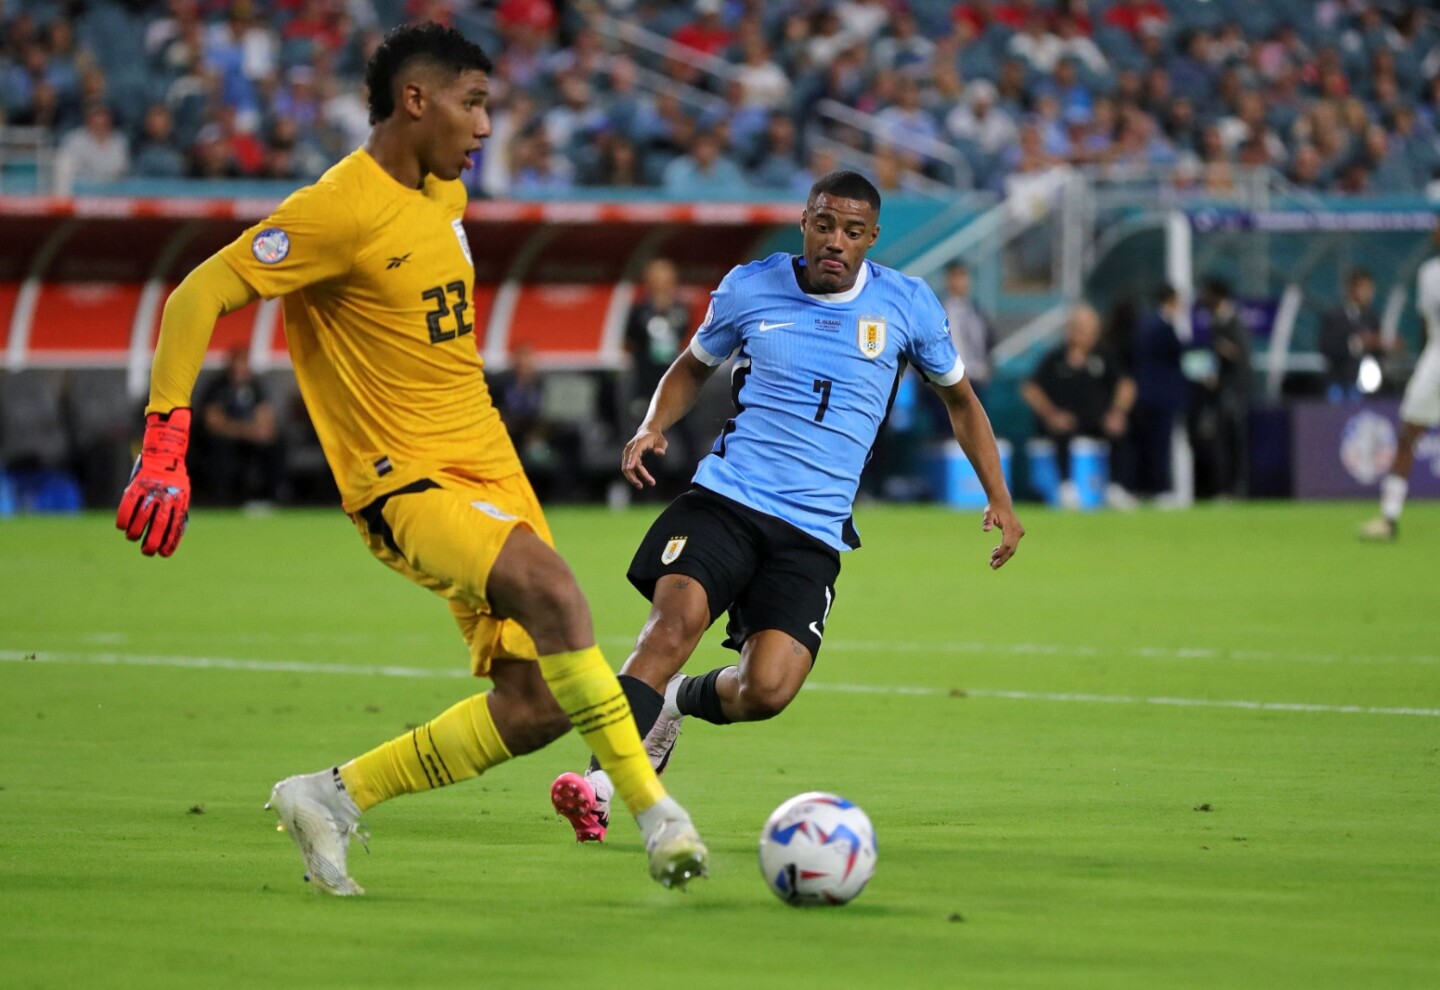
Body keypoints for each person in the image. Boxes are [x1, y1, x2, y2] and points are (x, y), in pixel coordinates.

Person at [114, 23, 706, 895]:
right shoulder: (336, 209)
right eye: (473, 105)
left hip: (490, 468)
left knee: (537, 705)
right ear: (415, 101)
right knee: (555, 591)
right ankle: (659, 815)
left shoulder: (445, 198)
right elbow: (199, 292)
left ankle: (330, 796)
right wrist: (166, 440)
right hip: (405, 483)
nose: (486, 127)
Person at [549, 171, 1024, 843]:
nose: (836, 242)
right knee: (672, 624)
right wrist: (654, 423)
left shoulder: (907, 305)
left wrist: (998, 496)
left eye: (852, 232)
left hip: (812, 532)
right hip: (727, 500)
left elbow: (960, 401)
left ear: (872, 239)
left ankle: (674, 702)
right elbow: (691, 365)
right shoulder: (750, 286)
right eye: (824, 225)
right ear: (805, 222)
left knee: (766, 689)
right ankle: (600, 785)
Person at [1360, 222, 1440, 541]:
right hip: (1435, 360)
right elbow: (1426, 323)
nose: (1436, 229)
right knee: (1408, 434)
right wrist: (1425, 363)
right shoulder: (1428, 273)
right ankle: (1388, 518)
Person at [1021, 303, 1134, 505]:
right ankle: (1066, 487)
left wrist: (1117, 412)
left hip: (1097, 420)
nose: (1085, 334)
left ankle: (1116, 488)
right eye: (1079, 328)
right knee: (1062, 431)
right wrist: (1051, 414)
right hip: (1065, 420)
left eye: (1089, 329)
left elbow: (1126, 384)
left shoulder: (1104, 356)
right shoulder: (1055, 358)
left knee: (1119, 432)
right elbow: (1030, 388)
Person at [198, 347, 284, 505]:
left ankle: (270, 497)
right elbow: (214, 423)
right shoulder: (217, 386)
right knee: (220, 448)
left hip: (249, 438)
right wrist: (245, 430)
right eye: (239, 362)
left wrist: (261, 431)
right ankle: (222, 500)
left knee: (276, 443)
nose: (242, 368)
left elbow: (266, 417)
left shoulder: (255, 386)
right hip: (225, 438)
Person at [1319, 270, 1389, 401]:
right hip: (1338, 380)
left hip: (1368, 385)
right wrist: (1356, 343)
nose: (1369, 293)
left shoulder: (1373, 318)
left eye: (1371, 289)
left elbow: (1378, 350)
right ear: (1352, 289)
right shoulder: (1334, 316)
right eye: (1365, 288)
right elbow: (1325, 346)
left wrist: (1383, 345)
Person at [941, 260, 996, 404]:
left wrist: (987, 369)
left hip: (976, 380)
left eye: (964, 276)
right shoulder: (939, 311)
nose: (961, 282)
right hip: (948, 381)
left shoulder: (976, 311)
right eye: (956, 276)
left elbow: (987, 342)